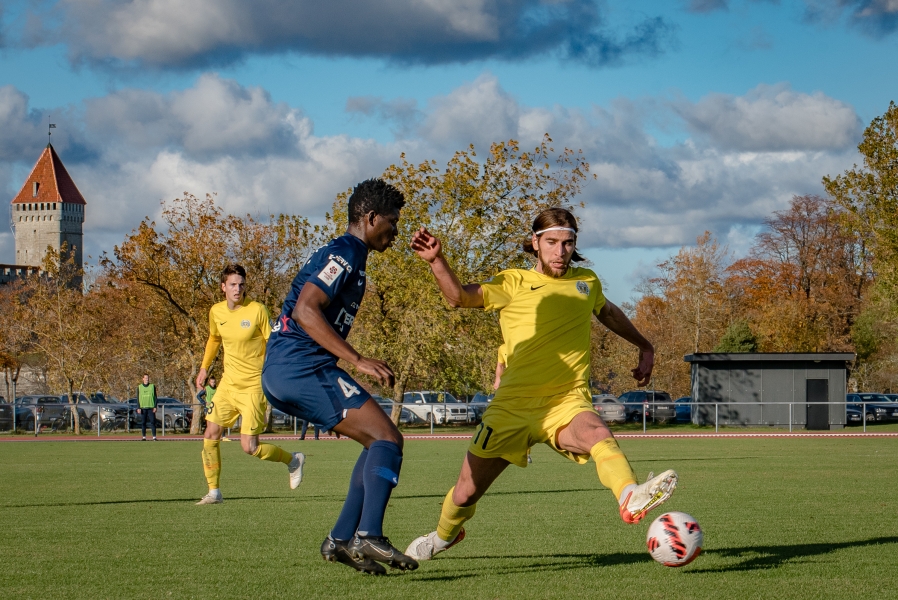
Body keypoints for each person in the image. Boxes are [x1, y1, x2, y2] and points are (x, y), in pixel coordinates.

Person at [404, 207, 678, 562]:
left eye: (567, 243)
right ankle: (443, 537)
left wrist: (645, 345)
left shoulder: (587, 283)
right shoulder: (512, 282)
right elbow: (459, 297)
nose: (560, 251)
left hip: (566, 401)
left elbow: (609, 313)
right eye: (551, 242)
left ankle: (630, 496)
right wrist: (437, 261)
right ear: (535, 243)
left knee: (596, 432)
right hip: (512, 407)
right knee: (465, 494)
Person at [261, 179, 417, 575]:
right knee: (389, 438)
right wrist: (358, 359)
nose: (395, 231)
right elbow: (306, 311)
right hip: (300, 367)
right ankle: (369, 535)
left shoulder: (350, 254)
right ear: (370, 218)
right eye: (392, 222)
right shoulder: (346, 250)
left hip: (294, 369)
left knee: (374, 442)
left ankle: (342, 538)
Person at [195, 264, 305, 506]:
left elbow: (273, 343)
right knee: (210, 434)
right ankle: (214, 492)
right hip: (227, 385)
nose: (238, 289)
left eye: (241, 284)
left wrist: (278, 373)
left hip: (253, 386)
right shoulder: (216, 312)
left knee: (250, 447)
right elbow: (214, 338)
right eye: (233, 284)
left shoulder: (257, 310)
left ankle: (293, 460)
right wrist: (204, 367)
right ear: (223, 287)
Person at [136, 374, 157, 441]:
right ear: (143, 379)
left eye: (147, 378)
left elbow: (155, 397)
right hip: (143, 408)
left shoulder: (152, 386)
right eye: (145, 378)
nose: (146, 379)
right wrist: (138, 407)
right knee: (143, 422)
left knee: (153, 422)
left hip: (151, 407)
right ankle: (144, 437)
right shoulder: (139, 387)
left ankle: (154, 437)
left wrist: (155, 406)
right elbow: (137, 398)